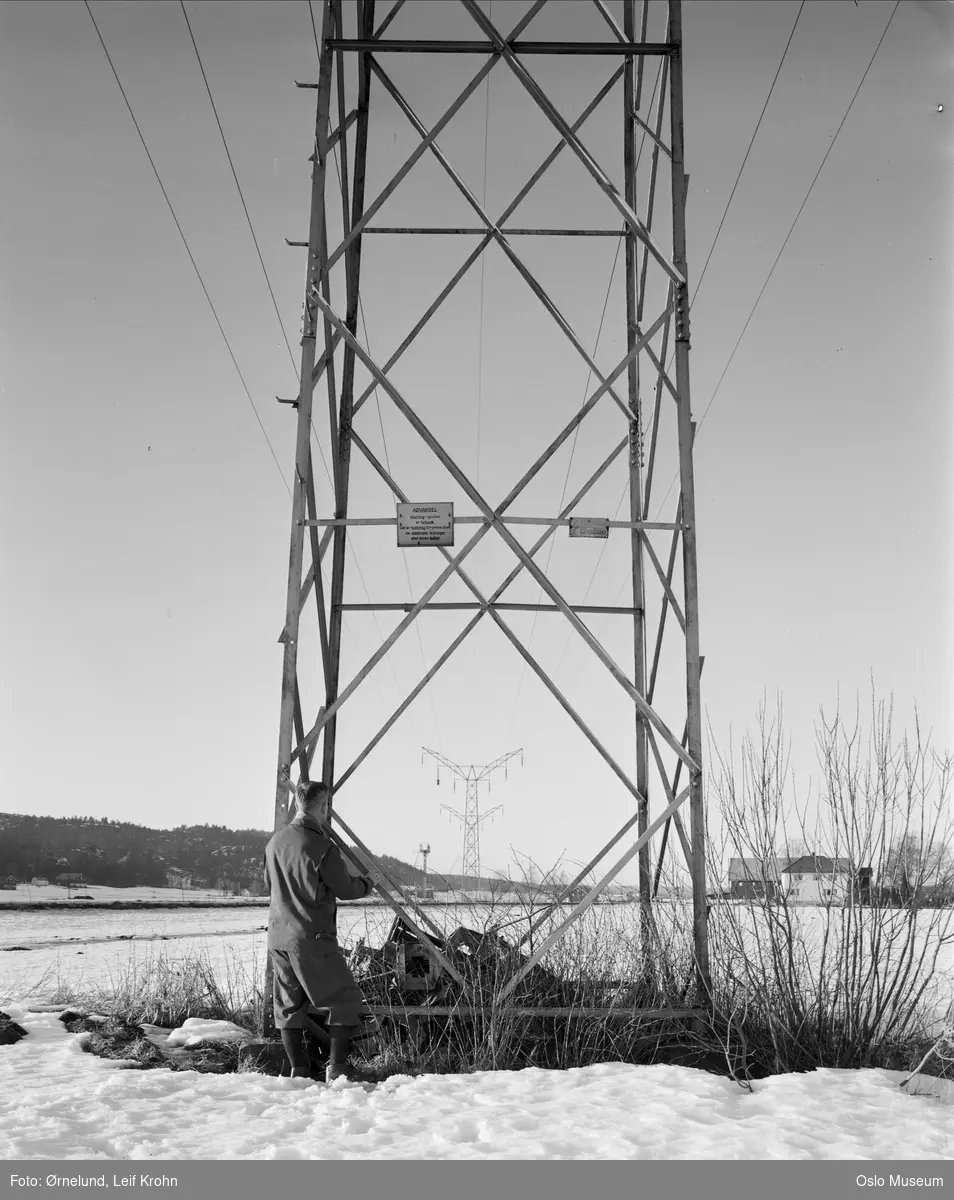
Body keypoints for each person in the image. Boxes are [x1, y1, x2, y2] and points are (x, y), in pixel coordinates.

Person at [263, 779, 375, 1082]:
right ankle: (337, 1069)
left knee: (288, 1006)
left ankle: (298, 1071)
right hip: (311, 937)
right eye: (327, 806)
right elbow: (345, 888)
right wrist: (367, 883)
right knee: (343, 1001)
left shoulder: (274, 843)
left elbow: (268, 885)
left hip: (278, 937)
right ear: (324, 805)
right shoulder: (323, 847)